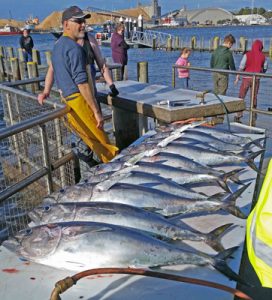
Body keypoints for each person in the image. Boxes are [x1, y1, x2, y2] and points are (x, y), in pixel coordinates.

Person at [38, 6, 118, 163]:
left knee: (89, 140)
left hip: (67, 101)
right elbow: (81, 83)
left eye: (84, 21)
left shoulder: (58, 45)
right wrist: (96, 111)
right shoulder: (75, 48)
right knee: (104, 144)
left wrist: (46, 91)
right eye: (78, 21)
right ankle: (117, 174)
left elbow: (52, 70)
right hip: (80, 100)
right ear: (66, 24)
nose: (83, 25)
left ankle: (90, 166)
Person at [234, 39, 268, 121]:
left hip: (246, 78)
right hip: (256, 78)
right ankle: (253, 114)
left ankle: (238, 114)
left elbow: (241, 66)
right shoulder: (263, 56)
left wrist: (237, 76)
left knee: (241, 96)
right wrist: (261, 72)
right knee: (254, 97)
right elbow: (265, 68)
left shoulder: (247, 54)